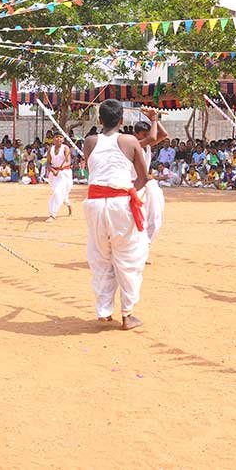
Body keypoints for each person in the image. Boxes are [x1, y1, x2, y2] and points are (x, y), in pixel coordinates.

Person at [82, 99, 150, 330]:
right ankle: (127, 314)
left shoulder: (90, 141)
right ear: (121, 120)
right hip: (120, 204)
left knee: (100, 256)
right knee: (129, 257)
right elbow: (143, 178)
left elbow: (94, 170)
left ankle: (104, 310)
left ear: (100, 120)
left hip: (94, 204)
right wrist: (128, 192)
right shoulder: (130, 140)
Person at [132, 108, 167, 244]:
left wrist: (153, 119)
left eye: (147, 133)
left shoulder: (145, 144)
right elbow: (152, 137)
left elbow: (163, 134)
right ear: (136, 134)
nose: (146, 136)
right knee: (136, 216)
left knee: (155, 215)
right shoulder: (134, 144)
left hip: (147, 184)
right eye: (143, 134)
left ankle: (146, 242)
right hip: (134, 185)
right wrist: (153, 119)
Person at [46, 134, 73, 221]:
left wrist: (61, 167)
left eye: (61, 137)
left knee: (57, 192)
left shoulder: (65, 148)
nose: (58, 139)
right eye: (57, 137)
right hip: (54, 174)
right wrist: (53, 170)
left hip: (64, 174)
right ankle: (67, 203)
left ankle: (52, 214)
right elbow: (48, 163)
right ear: (53, 139)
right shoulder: (50, 149)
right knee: (60, 194)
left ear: (63, 139)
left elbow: (68, 162)